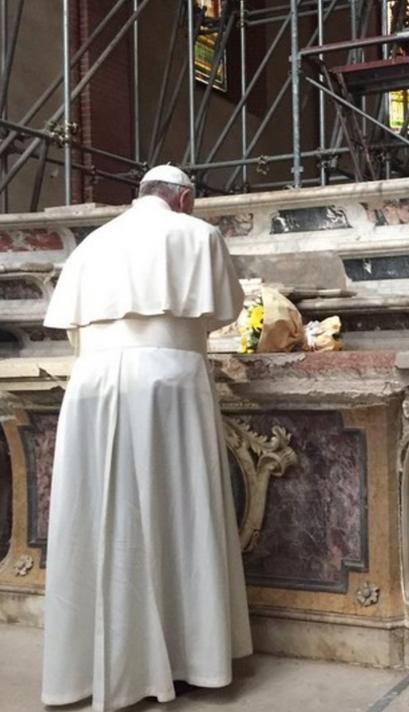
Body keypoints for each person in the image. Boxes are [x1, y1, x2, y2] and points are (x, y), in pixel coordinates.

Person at [40, 165, 251, 711]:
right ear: (184, 200)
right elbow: (225, 310)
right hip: (168, 385)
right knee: (174, 514)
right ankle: (186, 658)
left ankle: (93, 663)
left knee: (99, 518)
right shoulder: (198, 234)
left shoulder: (94, 243)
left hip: (91, 386)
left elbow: (71, 325)